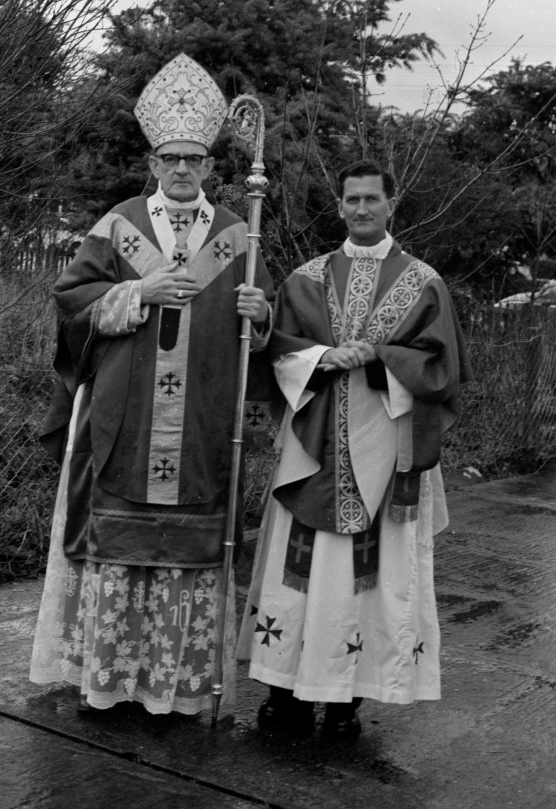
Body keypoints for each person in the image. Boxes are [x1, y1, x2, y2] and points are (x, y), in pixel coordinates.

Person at [30, 53, 273, 716]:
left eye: (193, 159)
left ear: (210, 167)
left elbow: (265, 328)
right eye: (170, 158)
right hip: (125, 417)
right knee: (118, 548)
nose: (182, 169)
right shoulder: (118, 225)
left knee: (187, 554)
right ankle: (107, 684)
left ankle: (171, 687)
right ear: (153, 163)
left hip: (200, 422)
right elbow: (72, 297)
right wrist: (141, 289)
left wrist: (263, 314)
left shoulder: (235, 235)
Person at [238, 159, 470, 739]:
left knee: (371, 575)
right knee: (300, 570)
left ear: (391, 205)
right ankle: (285, 691)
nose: (361, 209)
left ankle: (348, 698)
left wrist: (379, 356)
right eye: (351, 200)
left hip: (386, 449)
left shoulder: (424, 282)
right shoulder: (306, 279)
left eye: (372, 199)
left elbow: (444, 367)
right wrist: (319, 357)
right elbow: (274, 353)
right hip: (311, 446)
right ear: (339, 206)